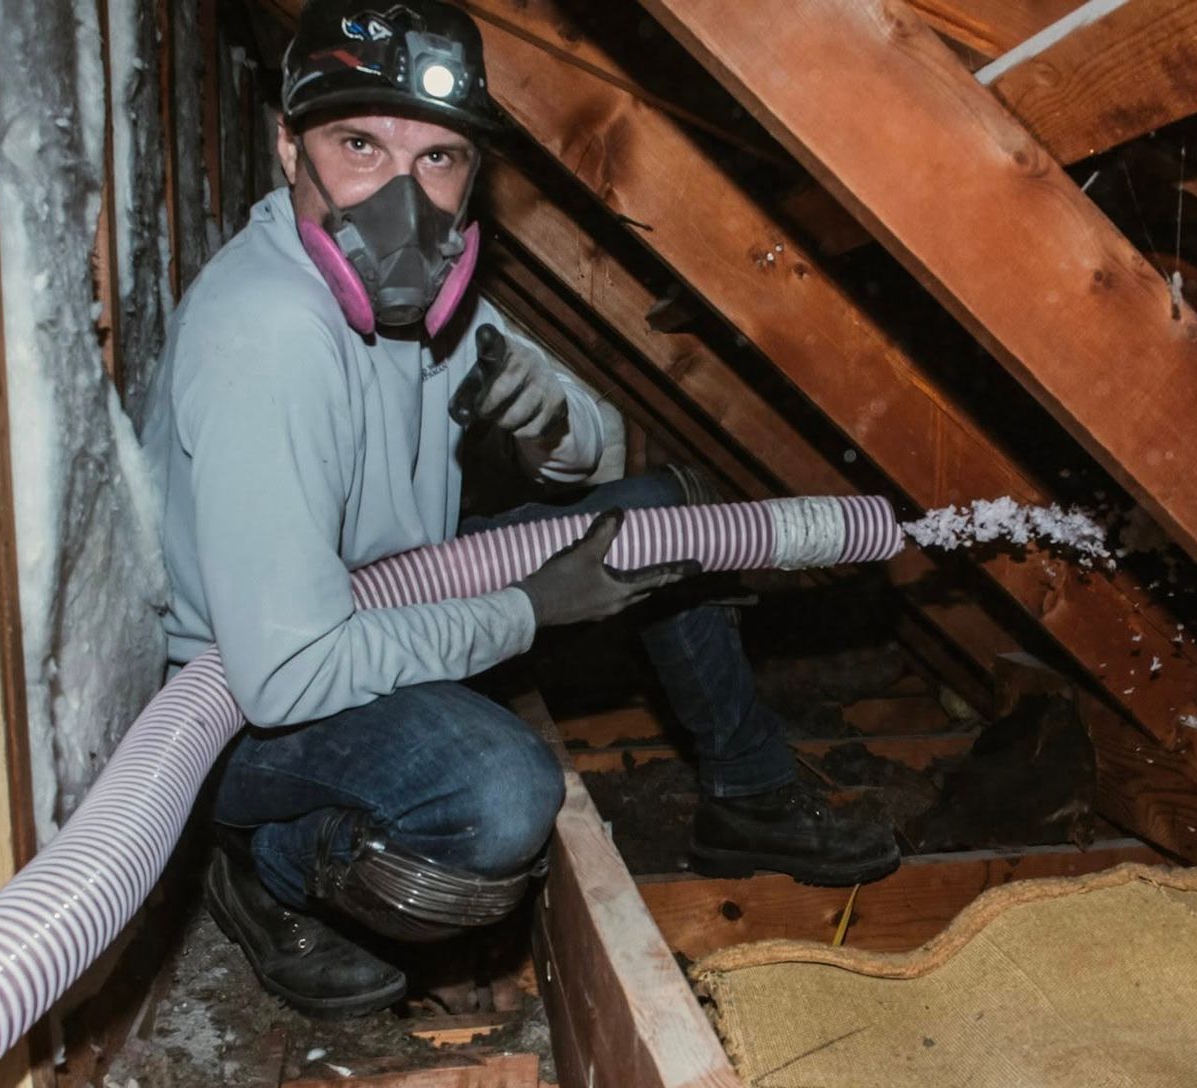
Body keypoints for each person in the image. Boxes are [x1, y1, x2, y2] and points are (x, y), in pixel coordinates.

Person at [139, 0, 899, 1018]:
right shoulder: (267, 334)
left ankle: (752, 797)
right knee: (499, 796)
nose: (400, 198)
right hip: (249, 706)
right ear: (289, 147)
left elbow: (605, 447)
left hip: (378, 617)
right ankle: (267, 862)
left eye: (440, 158)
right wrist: (534, 608)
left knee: (659, 515)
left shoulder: (424, 286)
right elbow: (288, 674)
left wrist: (557, 431)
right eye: (359, 144)